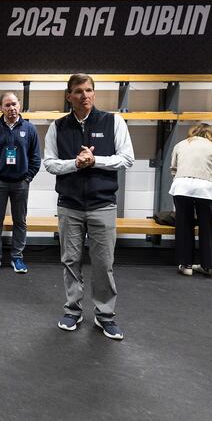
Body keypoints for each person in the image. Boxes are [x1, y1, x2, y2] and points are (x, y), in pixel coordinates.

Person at [43, 74, 134, 340]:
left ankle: (105, 316)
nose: (85, 95)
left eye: (89, 90)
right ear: (68, 96)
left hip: (103, 205)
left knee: (103, 263)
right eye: (79, 91)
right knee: (71, 261)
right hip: (69, 205)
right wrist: (75, 163)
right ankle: (72, 310)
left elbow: (127, 159)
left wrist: (95, 161)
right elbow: (49, 163)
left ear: (94, 93)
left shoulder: (113, 121)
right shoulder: (57, 127)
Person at [0, 92, 41, 273]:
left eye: (14, 104)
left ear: (19, 105)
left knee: (20, 221)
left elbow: (36, 158)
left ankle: (17, 258)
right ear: (1, 108)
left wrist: (28, 177)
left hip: (21, 183)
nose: (11, 108)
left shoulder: (30, 129)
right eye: (7, 105)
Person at [169, 123, 212, 277]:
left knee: (184, 224)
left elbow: (173, 168)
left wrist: (181, 182)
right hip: (205, 188)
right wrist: (209, 185)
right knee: (208, 227)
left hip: (181, 187)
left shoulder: (180, 145)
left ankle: (186, 265)